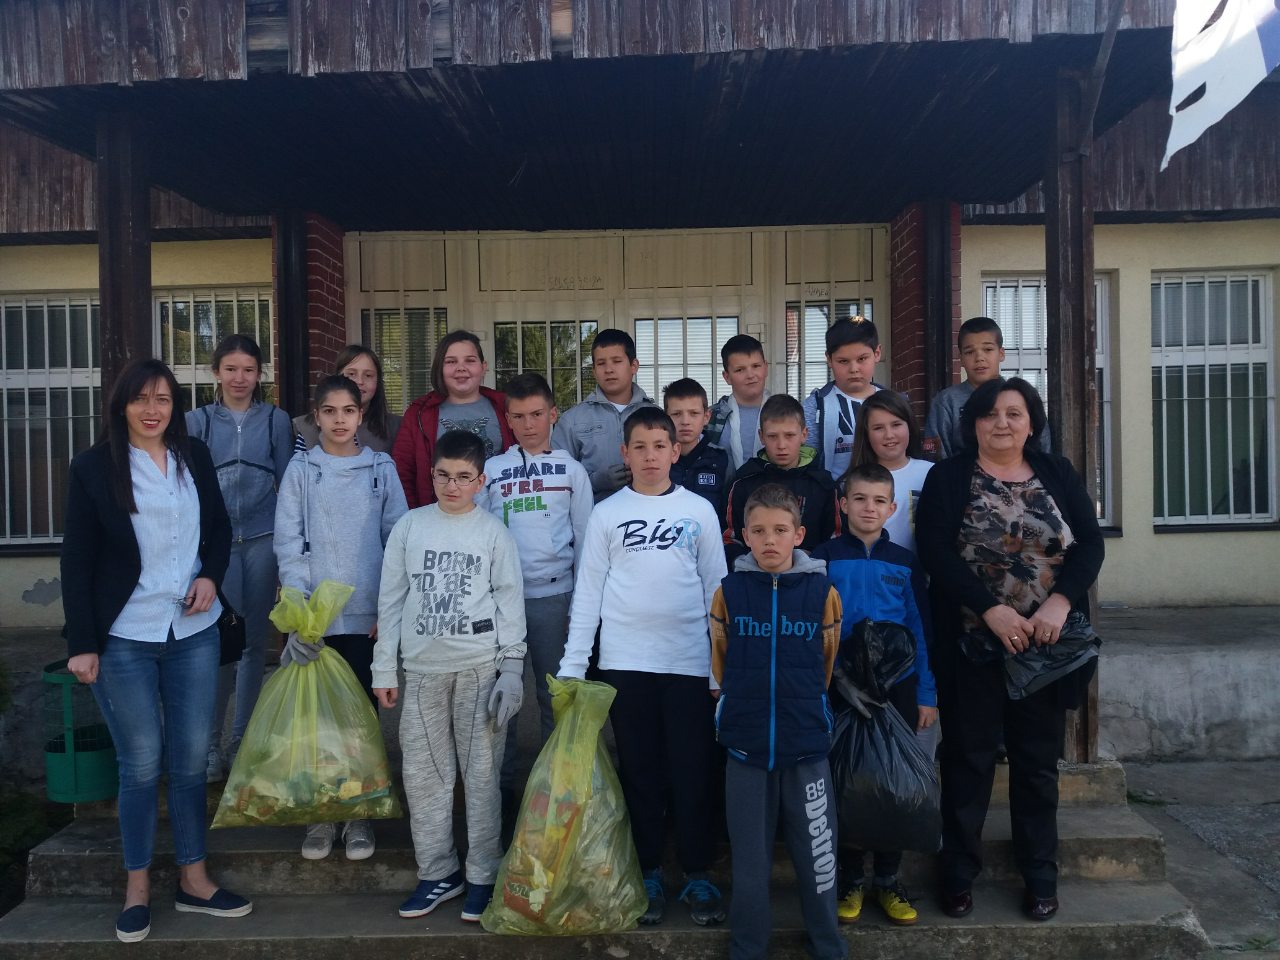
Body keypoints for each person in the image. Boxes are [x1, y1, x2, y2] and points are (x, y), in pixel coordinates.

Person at [61, 358, 252, 943]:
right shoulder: (94, 468)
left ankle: (194, 880)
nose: (152, 410)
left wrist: (211, 576)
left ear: (175, 406)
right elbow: (77, 560)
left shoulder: (193, 457)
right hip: (124, 638)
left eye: (163, 399)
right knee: (141, 764)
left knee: (190, 762)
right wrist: (82, 644)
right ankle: (137, 887)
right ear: (121, 405)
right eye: (141, 398)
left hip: (192, 632)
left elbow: (219, 529)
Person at [916, 377, 1103, 923]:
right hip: (972, 643)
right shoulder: (949, 477)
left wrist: (1059, 604)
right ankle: (957, 874)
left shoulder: (1057, 472)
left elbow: (1089, 544)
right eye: (990, 413)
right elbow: (935, 551)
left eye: (1014, 413)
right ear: (973, 423)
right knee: (967, 760)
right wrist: (990, 610)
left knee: (1036, 765)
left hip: (1043, 647)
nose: (1002, 422)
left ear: (1031, 423)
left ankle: (1040, 876)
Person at [557, 407, 728, 927]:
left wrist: (720, 668)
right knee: (641, 773)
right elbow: (588, 594)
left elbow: (717, 593)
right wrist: (573, 665)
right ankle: (647, 870)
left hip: (689, 666)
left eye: (659, 445)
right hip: (626, 666)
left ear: (675, 452)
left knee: (693, 772)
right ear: (625, 454)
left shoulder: (699, 511)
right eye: (639, 446)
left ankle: (697, 872)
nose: (650, 456)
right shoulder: (607, 514)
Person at [374, 430, 527, 923]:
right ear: (432, 474)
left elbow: (509, 602)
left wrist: (512, 669)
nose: (452, 486)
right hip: (421, 672)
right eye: (443, 475)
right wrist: (384, 666)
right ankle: (438, 872)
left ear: (481, 481)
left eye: (464, 477)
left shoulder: (493, 533)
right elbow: (390, 600)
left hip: (480, 670)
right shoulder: (410, 527)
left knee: (481, 776)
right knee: (424, 778)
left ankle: (483, 873)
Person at [273, 375, 408, 862]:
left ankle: (358, 813)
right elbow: (288, 540)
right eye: (328, 411)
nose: (339, 420)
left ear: (360, 415)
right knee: (318, 720)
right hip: (318, 619)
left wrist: (389, 610)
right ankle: (321, 813)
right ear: (316, 417)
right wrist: (299, 609)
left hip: (367, 617)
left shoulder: (381, 469)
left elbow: (398, 539)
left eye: (348, 411)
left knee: (359, 720)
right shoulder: (301, 470)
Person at [710, 484, 846, 960]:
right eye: (760, 531)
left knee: (818, 858)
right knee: (750, 861)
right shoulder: (729, 592)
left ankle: (827, 945)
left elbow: (826, 662)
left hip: (806, 745)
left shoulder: (822, 592)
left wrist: (806, 705)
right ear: (744, 535)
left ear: (799, 535)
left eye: (781, 530)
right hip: (745, 745)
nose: (770, 540)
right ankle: (748, 947)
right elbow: (721, 659)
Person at [811, 462, 936, 927]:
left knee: (892, 780)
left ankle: (887, 877)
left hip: (896, 685)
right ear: (843, 504)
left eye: (879, 501)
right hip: (840, 681)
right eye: (859, 499)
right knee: (847, 779)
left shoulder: (905, 561)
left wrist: (926, 692)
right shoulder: (823, 557)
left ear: (892, 508)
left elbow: (920, 629)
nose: (869, 508)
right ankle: (850, 879)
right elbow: (813, 624)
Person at [475, 372, 593, 832]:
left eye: (537, 415)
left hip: (555, 597)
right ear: (507, 419)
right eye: (519, 416)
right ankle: (500, 791)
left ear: (553, 415)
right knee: (499, 698)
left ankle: (553, 789)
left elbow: (585, 541)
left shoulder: (572, 471)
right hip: (502, 603)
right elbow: (479, 536)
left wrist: (579, 607)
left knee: (553, 697)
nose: (528, 425)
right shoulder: (493, 470)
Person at [186, 334, 294, 782]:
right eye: (230, 369)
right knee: (218, 645)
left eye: (248, 369)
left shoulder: (276, 420)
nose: (239, 378)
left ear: (260, 374)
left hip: (264, 540)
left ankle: (242, 742)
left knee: (252, 645)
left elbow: (289, 486)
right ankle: (210, 748)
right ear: (216, 372)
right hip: (217, 548)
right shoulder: (196, 422)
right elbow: (185, 488)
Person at [393, 330, 516, 509]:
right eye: (451, 361)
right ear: (440, 368)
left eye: (470, 360)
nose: (461, 367)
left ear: (483, 367)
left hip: (499, 513)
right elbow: (403, 472)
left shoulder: (506, 407)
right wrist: (416, 516)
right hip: (440, 517)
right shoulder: (418, 413)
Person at [723, 394, 840, 562]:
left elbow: (835, 541)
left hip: (810, 574)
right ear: (761, 436)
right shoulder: (743, 482)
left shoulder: (823, 485)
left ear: (804, 434)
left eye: (789, 435)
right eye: (772, 436)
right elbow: (729, 539)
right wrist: (753, 565)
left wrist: (804, 563)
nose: (781, 445)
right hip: (755, 574)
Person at [923, 316, 1052, 461]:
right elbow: (935, 459)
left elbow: (1043, 447)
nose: (979, 358)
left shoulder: (1021, 396)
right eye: (970, 352)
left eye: (988, 349)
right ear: (961, 359)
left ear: (1001, 354)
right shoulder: (947, 401)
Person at [551, 328, 658, 502]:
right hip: (592, 515)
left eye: (617, 361)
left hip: (649, 513)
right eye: (601, 363)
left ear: (634, 366)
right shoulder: (572, 420)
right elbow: (556, 479)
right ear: (593, 371)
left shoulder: (656, 415)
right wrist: (594, 482)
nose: (609, 369)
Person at [850, 391, 933, 555]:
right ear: (866, 434)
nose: (889, 435)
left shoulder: (931, 473)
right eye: (878, 428)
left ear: (909, 426)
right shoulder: (852, 482)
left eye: (896, 425)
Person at [802, 316, 886, 481]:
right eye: (843, 361)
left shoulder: (894, 404)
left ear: (877, 353)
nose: (854, 369)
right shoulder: (815, 407)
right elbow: (805, 464)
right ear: (829, 359)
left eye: (862, 359)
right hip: (833, 494)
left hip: (886, 494)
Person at [293, 344, 402, 453]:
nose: (360, 381)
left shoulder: (396, 427)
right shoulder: (306, 428)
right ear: (338, 376)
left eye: (368, 375)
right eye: (352, 374)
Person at [665, 377, 733, 522]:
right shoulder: (657, 459)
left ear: (706, 417)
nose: (685, 422)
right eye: (676, 414)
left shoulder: (721, 459)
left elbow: (728, 513)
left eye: (694, 413)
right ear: (665, 418)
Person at [704, 334, 770, 471]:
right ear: (727, 377)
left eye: (756, 366)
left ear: (765, 368)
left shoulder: (786, 413)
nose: (750, 375)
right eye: (740, 370)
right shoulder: (710, 417)